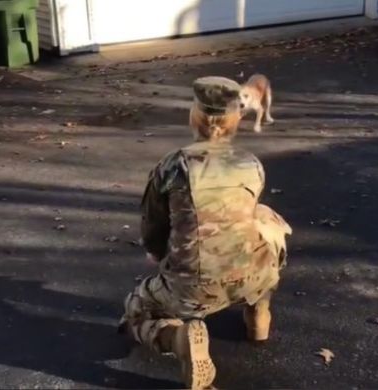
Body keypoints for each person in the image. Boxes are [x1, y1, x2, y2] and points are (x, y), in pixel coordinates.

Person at [119, 76, 292, 389]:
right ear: (235, 120)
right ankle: (259, 315)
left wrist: (160, 256)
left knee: (136, 309)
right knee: (266, 221)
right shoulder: (251, 163)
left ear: (194, 117)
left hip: (192, 288)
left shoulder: (172, 166)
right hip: (251, 274)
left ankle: (179, 339)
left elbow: (154, 230)